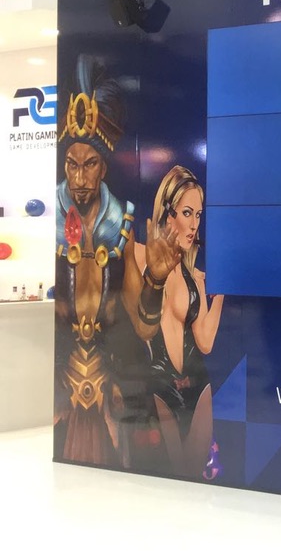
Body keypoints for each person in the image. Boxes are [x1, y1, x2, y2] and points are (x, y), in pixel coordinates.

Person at [53, 55, 145, 466]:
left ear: (103, 168)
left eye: (89, 165)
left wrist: (155, 280)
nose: (79, 178)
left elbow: (141, 319)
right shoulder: (55, 224)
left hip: (112, 374)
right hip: (64, 376)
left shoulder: (122, 224)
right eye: (71, 165)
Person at [129, 165, 224, 478]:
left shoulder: (193, 277)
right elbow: (138, 319)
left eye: (198, 215)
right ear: (168, 214)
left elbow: (205, 343)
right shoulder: (140, 255)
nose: (194, 224)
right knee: (172, 474)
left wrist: (220, 291)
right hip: (160, 380)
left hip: (197, 381)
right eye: (187, 213)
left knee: (194, 473)